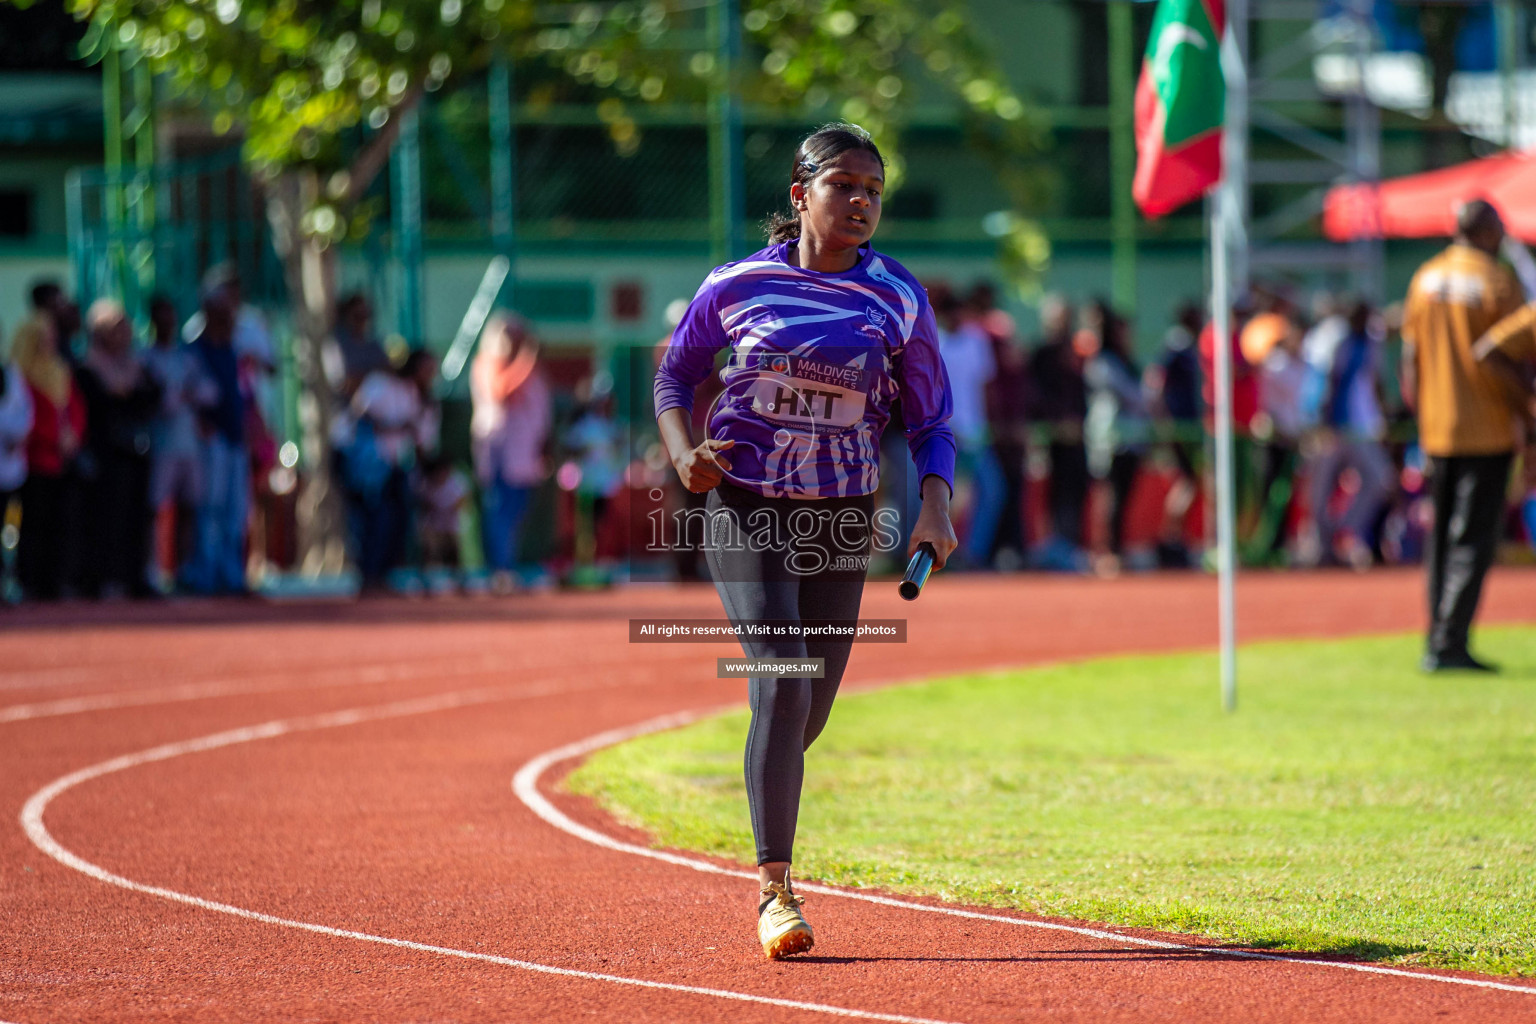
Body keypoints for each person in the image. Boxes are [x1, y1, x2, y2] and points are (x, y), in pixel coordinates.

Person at [653, 123, 957, 960]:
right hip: (746, 505)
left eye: (873, 191)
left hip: (842, 513)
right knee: (784, 684)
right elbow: (675, 376)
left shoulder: (897, 296)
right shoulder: (737, 284)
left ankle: (766, 761)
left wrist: (934, 504)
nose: (861, 202)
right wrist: (688, 459)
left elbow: (931, 417)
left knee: (805, 707)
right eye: (844, 186)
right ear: (801, 196)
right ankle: (775, 891)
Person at [1400, 199, 1524, 672]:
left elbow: (1409, 358)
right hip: (1487, 427)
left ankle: (1437, 633)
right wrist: (1526, 415)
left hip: (1437, 428)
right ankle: (1450, 643)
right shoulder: (1495, 280)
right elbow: (1513, 355)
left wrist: (1421, 416)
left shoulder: (1425, 278)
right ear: (1487, 231)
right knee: (1473, 539)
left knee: (1441, 539)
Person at [75, 299, 162, 598]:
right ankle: (103, 579)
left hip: (136, 452)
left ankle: (135, 577)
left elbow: (150, 399)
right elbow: (95, 405)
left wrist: (127, 391)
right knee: (105, 518)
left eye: (124, 327)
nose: (122, 334)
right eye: (114, 328)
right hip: (105, 456)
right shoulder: (88, 366)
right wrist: (118, 393)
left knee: (138, 516)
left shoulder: (137, 365)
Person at [471, 313, 552, 594]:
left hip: (525, 457)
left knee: (517, 514)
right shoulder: (488, 364)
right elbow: (500, 391)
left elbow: (541, 414)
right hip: (499, 454)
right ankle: (500, 570)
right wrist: (527, 357)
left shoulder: (533, 370)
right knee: (500, 512)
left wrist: (544, 447)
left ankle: (509, 568)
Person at [345, 349, 439, 590]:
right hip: (370, 467)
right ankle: (369, 575)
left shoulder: (419, 397)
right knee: (374, 522)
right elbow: (362, 416)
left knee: (396, 523)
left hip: (398, 468)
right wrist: (393, 426)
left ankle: (383, 575)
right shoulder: (379, 384)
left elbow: (421, 442)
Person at [1309, 300, 1394, 570]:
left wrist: (1381, 417)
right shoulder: (1335, 340)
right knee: (1320, 490)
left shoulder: (1369, 342)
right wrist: (1323, 424)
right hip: (1332, 427)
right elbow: (1327, 382)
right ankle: (1322, 548)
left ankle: (1345, 529)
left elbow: (1373, 381)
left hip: (1361, 428)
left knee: (1381, 479)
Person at [11, 314, 86, 599]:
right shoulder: (22, 374)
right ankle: (30, 582)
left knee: (61, 525)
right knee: (34, 526)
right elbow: (27, 416)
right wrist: (54, 438)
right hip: (35, 461)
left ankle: (57, 581)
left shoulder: (60, 370)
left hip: (61, 461)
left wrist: (73, 436)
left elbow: (76, 407)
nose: (48, 344)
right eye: (42, 340)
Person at [143, 294, 215, 590]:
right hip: (160, 447)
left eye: (171, 316)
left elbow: (210, 392)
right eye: (161, 316)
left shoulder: (186, 358)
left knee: (189, 509)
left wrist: (185, 394)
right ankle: (153, 569)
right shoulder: (145, 358)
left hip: (190, 447)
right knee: (155, 510)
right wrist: (180, 395)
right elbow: (160, 401)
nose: (167, 323)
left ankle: (183, 571)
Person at [184, 284, 250, 596]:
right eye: (222, 312)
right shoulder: (196, 349)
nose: (229, 318)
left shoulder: (232, 349)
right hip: (211, 440)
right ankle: (206, 577)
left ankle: (232, 577)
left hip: (236, 439)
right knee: (211, 508)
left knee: (235, 511)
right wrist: (201, 422)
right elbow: (190, 393)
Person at [934, 284, 1002, 568]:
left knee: (989, 492)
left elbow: (985, 387)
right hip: (946, 433)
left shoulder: (976, 339)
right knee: (951, 499)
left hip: (974, 434)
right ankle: (940, 553)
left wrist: (987, 426)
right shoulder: (936, 341)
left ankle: (971, 554)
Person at [1082, 299, 1151, 571]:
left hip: (1132, 439)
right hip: (1109, 439)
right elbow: (1130, 395)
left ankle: (1117, 548)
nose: (1128, 336)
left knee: (1122, 497)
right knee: (1108, 495)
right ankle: (1104, 550)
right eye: (1123, 330)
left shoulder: (1127, 362)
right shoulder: (1102, 362)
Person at [1026, 294, 1089, 570]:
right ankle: (1054, 547)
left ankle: (1071, 545)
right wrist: (1054, 422)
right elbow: (1034, 394)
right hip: (1051, 437)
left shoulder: (1076, 352)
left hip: (1076, 437)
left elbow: (1081, 393)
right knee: (1054, 492)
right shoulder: (1041, 354)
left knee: (1076, 488)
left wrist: (1078, 420)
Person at [1147, 303, 1204, 567]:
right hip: (1179, 427)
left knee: (1190, 481)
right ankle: (1170, 539)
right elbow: (1155, 380)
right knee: (1187, 481)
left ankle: (1175, 538)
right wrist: (1163, 421)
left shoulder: (1186, 346)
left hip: (1189, 426)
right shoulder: (1177, 345)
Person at [0, 324, 34, 600]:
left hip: (12, 468)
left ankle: (9, 582)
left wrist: (16, 434)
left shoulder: (11, 373)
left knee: (12, 529)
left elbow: (25, 410)